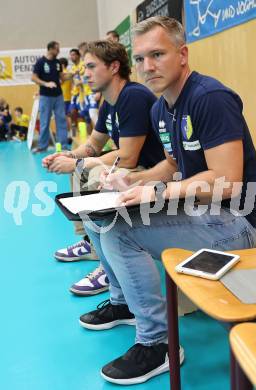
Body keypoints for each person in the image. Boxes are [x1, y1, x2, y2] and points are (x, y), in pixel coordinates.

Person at [80, 16, 256, 385]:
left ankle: (158, 343)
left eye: (158, 55)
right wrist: (134, 179)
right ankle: (122, 303)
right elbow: (173, 165)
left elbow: (227, 182)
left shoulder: (210, 98)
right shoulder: (160, 108)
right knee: (99, 217)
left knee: (121, 233)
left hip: (237, 222)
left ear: (182, 54)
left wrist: (157, 192)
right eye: (143, 57)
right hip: (199, 210)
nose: (148, 66)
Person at [42, 40, 165, 296]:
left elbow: (128, 158)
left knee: (99, 175)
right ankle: (91, 243)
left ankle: (110, 266)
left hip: (154, 172)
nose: (85, 73)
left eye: (91, 66)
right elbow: (94, 145)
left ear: (113, 67)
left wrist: (77, 162)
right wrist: (69, 155)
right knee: (81, 169)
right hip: (134, 166)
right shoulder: (110, 101)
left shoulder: (133, 96)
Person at [31, 41, 68, 152]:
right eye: (57, 49)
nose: (59, 51)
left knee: (61, 120)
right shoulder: (40, 62)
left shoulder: (57, 62)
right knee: (45, 121)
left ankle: (64, 145)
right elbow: (33, 78)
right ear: (50, 49)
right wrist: (46, 83)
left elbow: (62, 77)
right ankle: (42, 146)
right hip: (46, 96)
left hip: (58, 96)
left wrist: (72, 75)